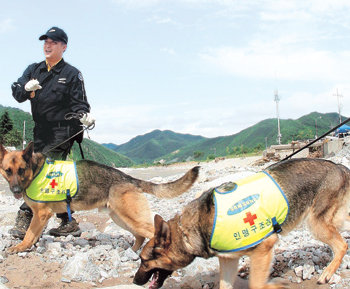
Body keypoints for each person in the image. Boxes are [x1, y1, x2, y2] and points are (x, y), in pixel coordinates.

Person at [10, 26, 95, 238]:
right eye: (45, 42)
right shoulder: (33, 69)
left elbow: (80, 104)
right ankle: (68, 220)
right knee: (54, 175)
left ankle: (25, 219)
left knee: (41, 171)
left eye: (54, 42)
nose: (48, 45)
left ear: (63, 47)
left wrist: (84, 115)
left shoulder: (72, 74)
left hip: (63, 132)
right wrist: (26, 89)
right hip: (40, 131)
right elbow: (17, 93)